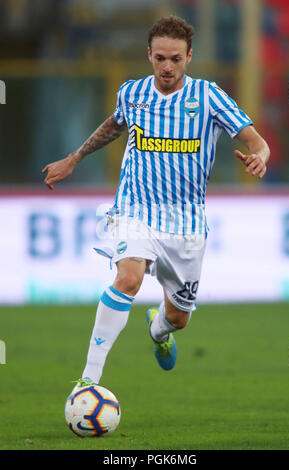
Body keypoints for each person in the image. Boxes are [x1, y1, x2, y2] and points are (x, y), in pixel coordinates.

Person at [42, 16, 270, 390]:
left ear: (189, 57)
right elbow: (114, 125)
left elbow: (254, 138)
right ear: (149, 55)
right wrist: (74, 158)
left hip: (186, 222)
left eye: (176, 59)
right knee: (127, 278)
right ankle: (88, 380)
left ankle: (158, 330)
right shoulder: (132, 93)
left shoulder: (209, 96)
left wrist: (260, 153)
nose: (168, 66)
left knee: (178, 318)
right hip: (136, 209)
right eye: (161, 57)